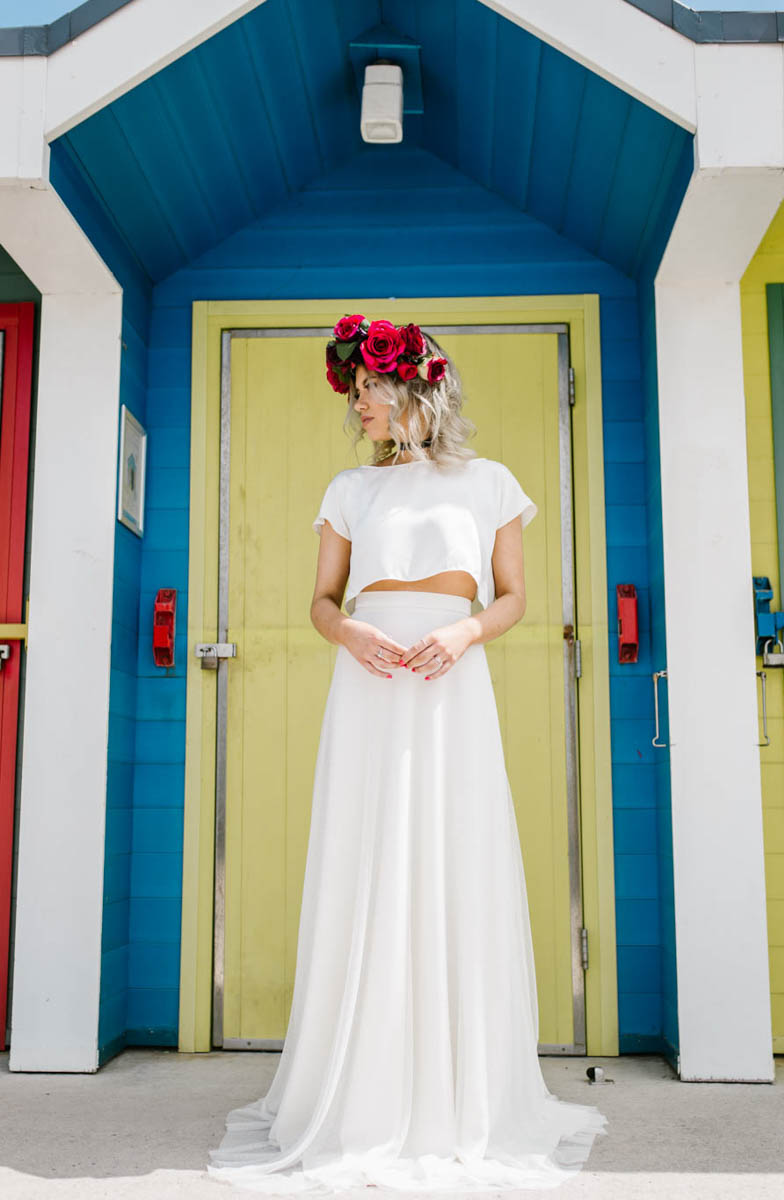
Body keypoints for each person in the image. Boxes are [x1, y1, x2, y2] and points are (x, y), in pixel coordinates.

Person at [207, 315, 608, 1193]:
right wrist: (349, 631)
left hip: (451, 679)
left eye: (369, 390)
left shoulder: (491, 482)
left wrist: (464, 633)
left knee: (451, 851)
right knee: (372, 851)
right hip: (371, 682)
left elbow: (513, 596)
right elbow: (322, 600)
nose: (358, 406)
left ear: (416, 389)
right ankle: (363, 1089)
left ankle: (458, 1095)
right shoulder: (350, 487)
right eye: (354, 393)